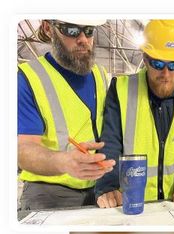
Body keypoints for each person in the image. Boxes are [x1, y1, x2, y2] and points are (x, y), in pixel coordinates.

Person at [95, 19, 174, 208]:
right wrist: (108, 186)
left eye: (173, 65)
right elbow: (110, 142)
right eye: (158, 64)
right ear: (145, 59)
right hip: (129, 201)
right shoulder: (122, 89)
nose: (166, 74)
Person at [17, 17, 114, 211]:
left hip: (99, 190)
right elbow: (22, 150)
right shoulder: (29, 79)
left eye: (88, 31)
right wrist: (64, 162)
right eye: (71, 30)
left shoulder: (101, 75)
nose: (83, 39)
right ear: (48, 28)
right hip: (50, 193)